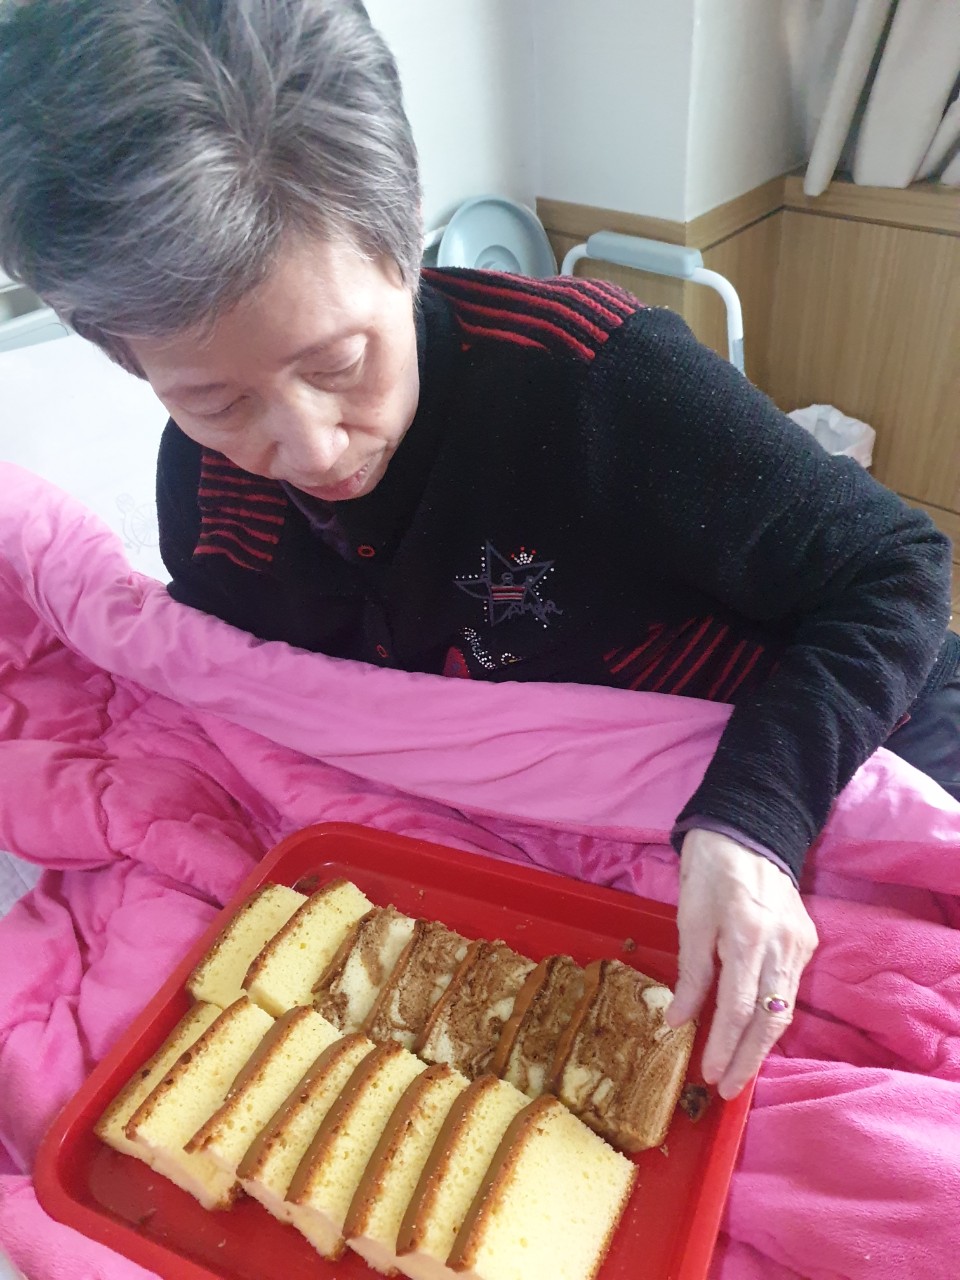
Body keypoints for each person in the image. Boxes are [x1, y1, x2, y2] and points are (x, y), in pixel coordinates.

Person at [1, 0, 957, 1103]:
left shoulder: (594, 380)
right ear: (128, 359)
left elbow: (895, 572)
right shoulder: (210, 493)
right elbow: (270, 702)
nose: (308, 449)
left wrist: (756, 819)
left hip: (834, 727)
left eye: (339, 364)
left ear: (404, 238)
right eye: (217, 402)